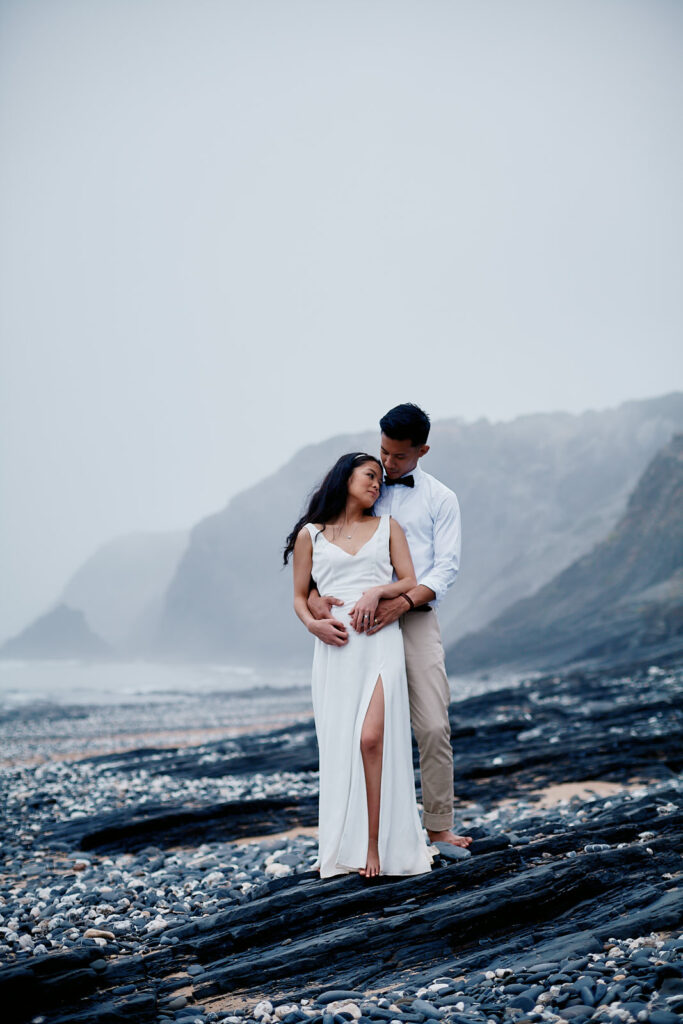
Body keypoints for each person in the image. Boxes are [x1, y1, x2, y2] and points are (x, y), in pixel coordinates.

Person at [308, 404, 472, 850]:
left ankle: (438, 826)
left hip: (414, 618)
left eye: (399, 457)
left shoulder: (441, 499)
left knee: (434, 726)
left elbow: (445, 571)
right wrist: (313, 600)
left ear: (423, 450)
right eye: (384, 452)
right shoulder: (365, 485)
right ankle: (360, 836)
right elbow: (325, 547)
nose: (388, 465)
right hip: (360, 625)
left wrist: (400, 602)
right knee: (362, 734)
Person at [284, 452, 432, 879]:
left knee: (371, 739)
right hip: (336, 649)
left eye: (380, 481)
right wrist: (315, 625)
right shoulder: (310, 534)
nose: (377, 485)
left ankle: (376, 845)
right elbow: (299, 595)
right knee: (342, 747)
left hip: (379, 641)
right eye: (370, 475)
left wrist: (375, 594)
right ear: (343, 477)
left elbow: (409, 580)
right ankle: (346, 846)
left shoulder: (389, 527)